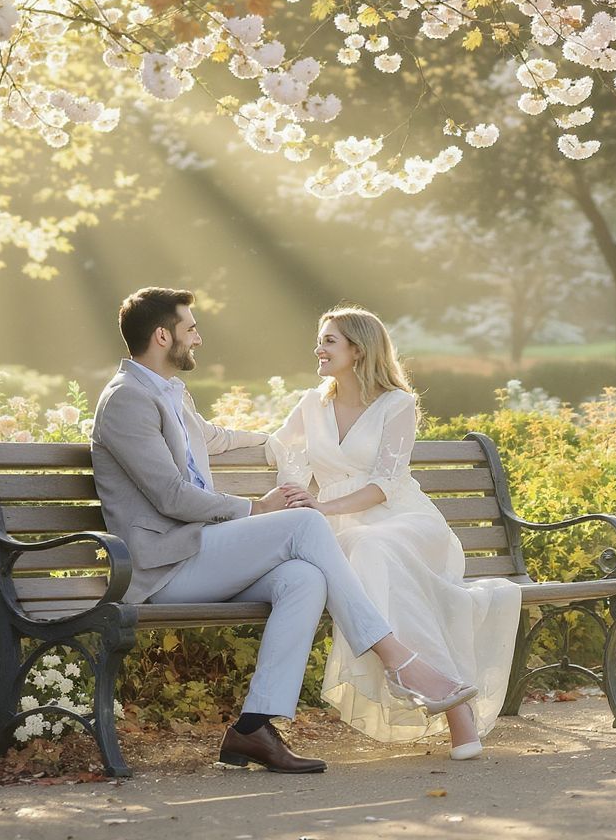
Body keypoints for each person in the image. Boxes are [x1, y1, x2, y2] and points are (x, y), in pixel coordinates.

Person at [92, 288, 483, 773]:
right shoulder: (127, 400)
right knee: (303, 521)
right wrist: (258, 506)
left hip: (196, 554)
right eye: (191, 328)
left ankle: (253, 729)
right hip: (161, 566)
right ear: (162, 335)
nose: (198, 337)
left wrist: (288, 437)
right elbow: (172, 497)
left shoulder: (167, 391)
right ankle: (398, 658)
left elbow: (213, 439)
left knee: (304, 578)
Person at [267, 306, 522, 759]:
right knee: (367, 550)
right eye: (320, 339)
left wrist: (321, 505)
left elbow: (385, 485)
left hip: (404, 521)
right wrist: (294, 481)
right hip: (341, 529)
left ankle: (428, 685)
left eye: (329, 340)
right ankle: (448, 696)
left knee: (375, 547)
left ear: (358, 351)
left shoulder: (397, 404)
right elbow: (279, 446)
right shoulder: (311, 403)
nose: (318, 348)